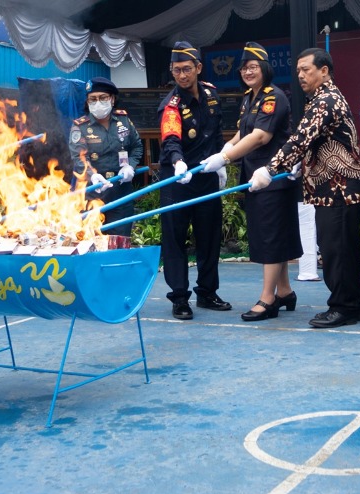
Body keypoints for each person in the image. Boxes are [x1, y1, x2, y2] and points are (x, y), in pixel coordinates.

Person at [252, 47, 360, 329]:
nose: (301, 75)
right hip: (334, 187)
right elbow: (310, 142)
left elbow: (299, 139)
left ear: (324, 71)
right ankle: (351, 306)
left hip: (340, 187)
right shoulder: (319, 99)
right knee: (342, 250)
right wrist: (297, 164)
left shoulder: (326, 100)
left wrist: (270, 169)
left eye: (307, 70)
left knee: (336, 251)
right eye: (298, 71)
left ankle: (343, 307)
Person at [201, 42, 301, 321]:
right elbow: (240, 134)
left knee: (270, 237)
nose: (247, 71)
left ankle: (268, 299)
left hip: (273, 178)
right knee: (271, 235)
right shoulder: (250, 98)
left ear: (265, 69)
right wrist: (221, 152)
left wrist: (225, 159)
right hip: (255, 178)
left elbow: (260, 136)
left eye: (253, 67)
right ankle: (284, 291)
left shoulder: (273, 97)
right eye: (244, 67)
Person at [157, 41, 230, 320]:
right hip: (178, 179)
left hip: (206, 175)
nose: (182, 76)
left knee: (209, 236)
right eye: (177, 70)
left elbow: (216, 130)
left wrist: (221, 160)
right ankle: (179, 298)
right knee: (175, 239)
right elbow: (171, 137)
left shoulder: (211, 94)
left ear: (198, 67)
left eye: (187, 69)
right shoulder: (171, 105)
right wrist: (177, 161)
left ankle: (207, 292)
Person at [69, 76, 143, 236]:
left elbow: (137, 146)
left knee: (121, 240)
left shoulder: (123, 120)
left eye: (103, 98)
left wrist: (130, 165)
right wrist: (93, 176)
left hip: (121, 191)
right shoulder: (80, 126)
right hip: (93, 192)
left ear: (112, 99)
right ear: (87, 102)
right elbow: (79, 158)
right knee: (93, 242)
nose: (98, 103)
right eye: (93, 99)